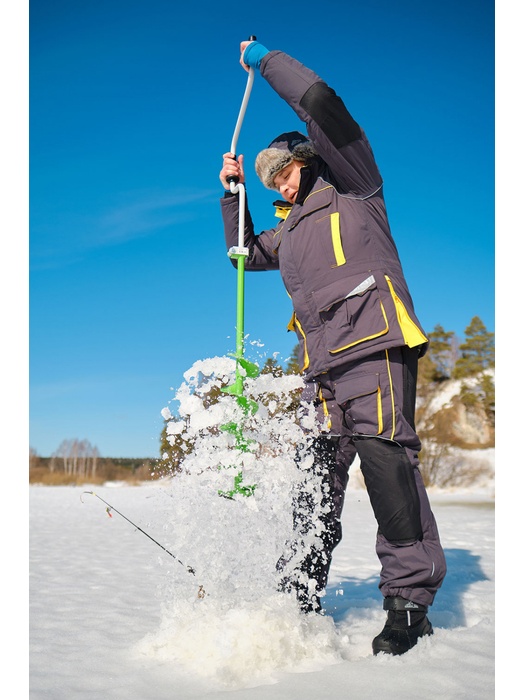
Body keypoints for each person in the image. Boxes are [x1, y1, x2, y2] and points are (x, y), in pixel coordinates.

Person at [219, 40, 447, 656]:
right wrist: (234, 195)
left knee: (387, 471)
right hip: (321, 372)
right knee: (313, 485)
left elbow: (320, 102)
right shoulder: (288, 232)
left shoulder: (355, 186)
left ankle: (407, 604)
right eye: (270, 180)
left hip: (373, 346)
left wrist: (265, 61)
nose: (281, 185)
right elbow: (243, 252)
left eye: (283, 170)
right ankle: (298, 590)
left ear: (308, 156)